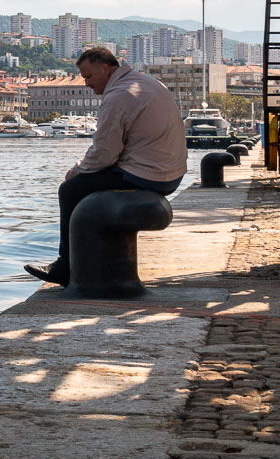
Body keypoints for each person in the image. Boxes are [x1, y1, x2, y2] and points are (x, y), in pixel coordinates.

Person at [24, 47, 187, 286]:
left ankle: (65, 266)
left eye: (88, 76)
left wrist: (76, 170)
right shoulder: (149, 83)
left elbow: (104, 155)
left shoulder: (117, 97)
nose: (86, 83)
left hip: (147, 175)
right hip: (173, 174)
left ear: (106, 68)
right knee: (91, 182)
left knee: (70, 190)